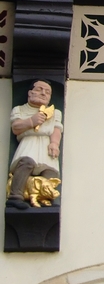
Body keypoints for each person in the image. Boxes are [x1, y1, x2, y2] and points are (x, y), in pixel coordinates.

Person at [7, 79, 63, 210]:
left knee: (49, 171)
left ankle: (45, 198)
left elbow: (56, 129)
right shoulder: (20, 109)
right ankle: (15, 196)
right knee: (26, 163)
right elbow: (16, 127)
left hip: (46, 144)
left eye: (47, 92)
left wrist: (54, 143)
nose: (43, 93)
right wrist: (32, 121)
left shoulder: (55, 112)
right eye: (39, 89)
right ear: (30, 92)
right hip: (29, 141)